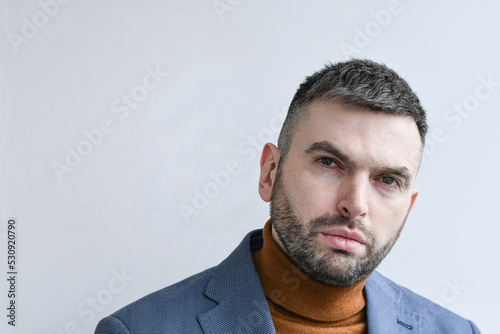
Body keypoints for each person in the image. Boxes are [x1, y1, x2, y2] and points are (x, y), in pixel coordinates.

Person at [95, 59, 481, 333]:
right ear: (269, 173)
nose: (356, 205)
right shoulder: (139, 329)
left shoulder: (457, 331)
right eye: (330, 162)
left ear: (408, 208)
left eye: (388, 181)